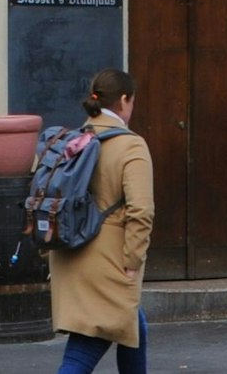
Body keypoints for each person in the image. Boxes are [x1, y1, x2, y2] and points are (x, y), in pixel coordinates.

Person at [48, 68, 154, 374]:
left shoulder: (72, 140)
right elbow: (141, 210)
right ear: (124, 100)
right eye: (132, 101)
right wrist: (132, 261)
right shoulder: (131, 145)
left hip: (70, 253)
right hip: (109, 261)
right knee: (85, 349)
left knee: (134, 325)